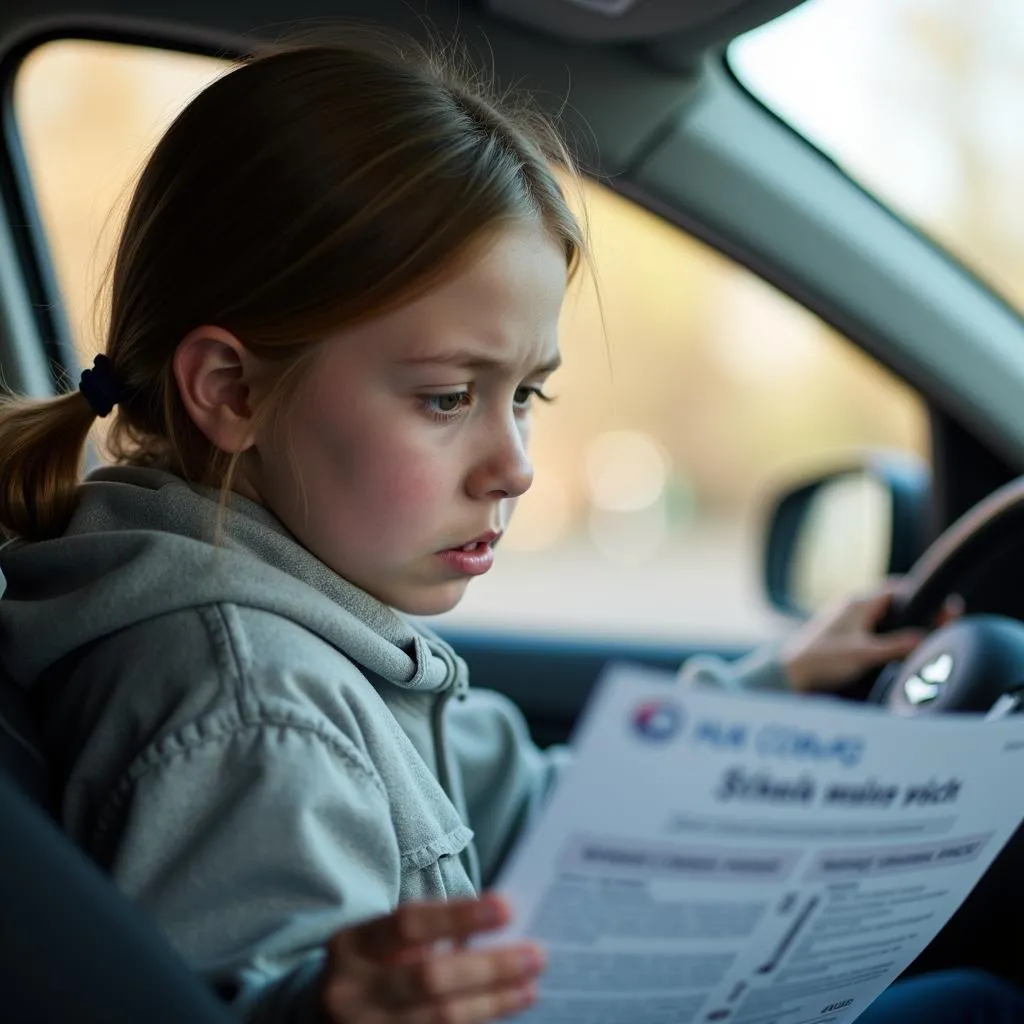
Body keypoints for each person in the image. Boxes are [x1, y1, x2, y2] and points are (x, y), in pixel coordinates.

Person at [0, 31, 1018, 1024]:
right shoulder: (252, 703)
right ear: (231, 390)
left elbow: (533, 807)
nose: (515, 465)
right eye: (448, 397)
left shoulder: (324, 629)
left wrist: (775, 685)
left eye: (526, 394)